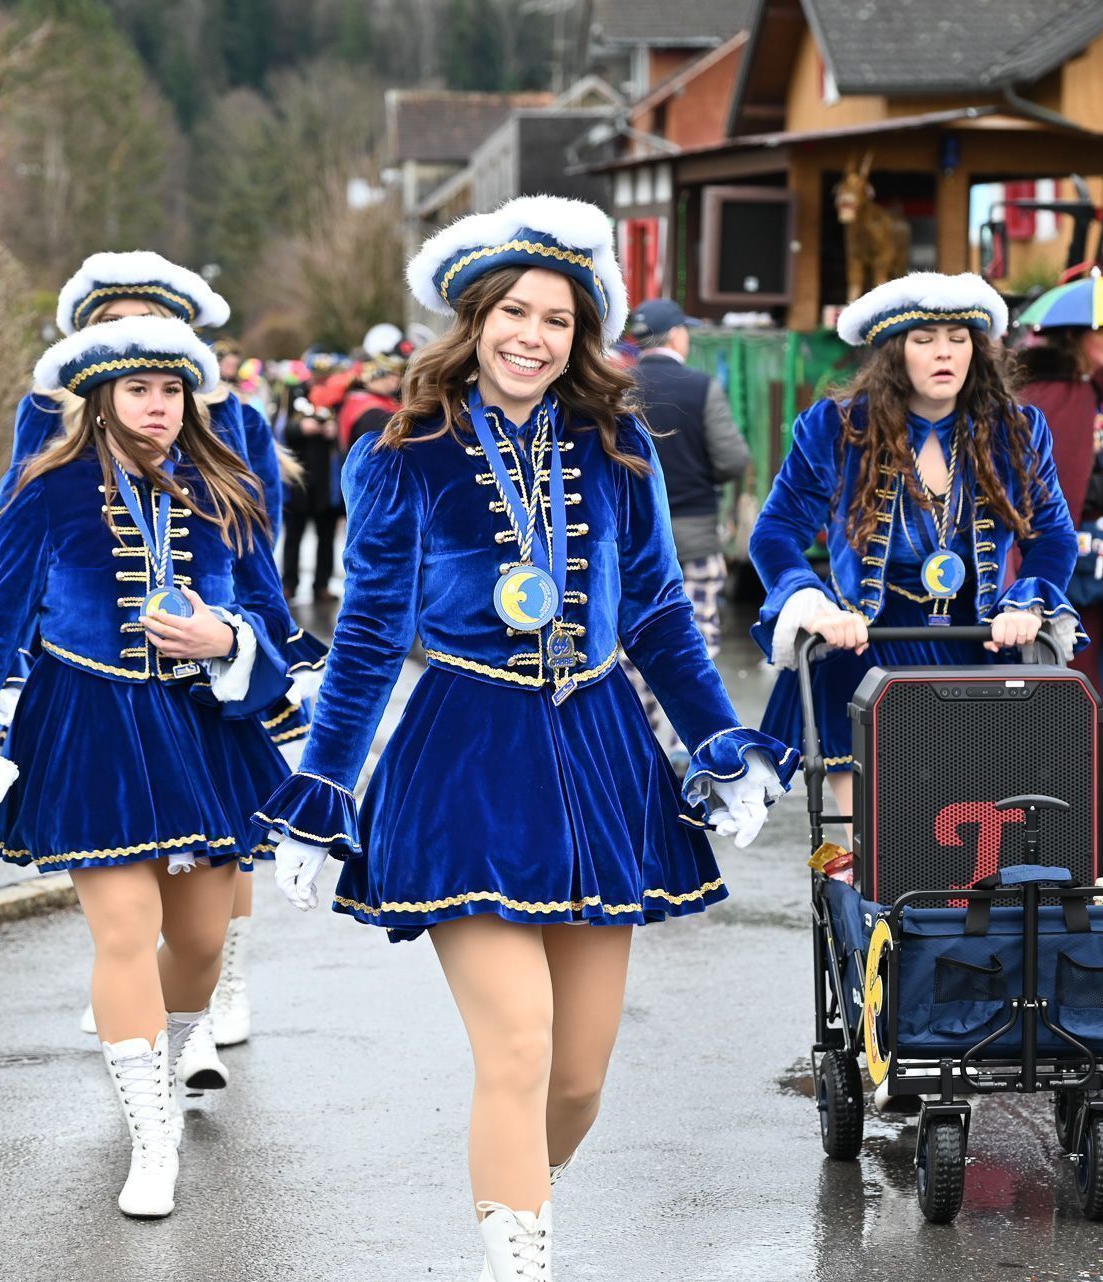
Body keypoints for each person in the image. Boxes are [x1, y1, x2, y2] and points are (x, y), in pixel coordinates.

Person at [256, 195, 797, 1281]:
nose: (532, 336)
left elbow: (654, 618)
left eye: (557, 319)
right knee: (516, 1047)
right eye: (512, 311)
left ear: (581, 335)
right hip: (465, 756)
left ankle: (510, 1207)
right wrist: (322, 790)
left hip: (600, 756)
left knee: (580, 1077)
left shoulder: (619, 446)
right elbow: (366, 635)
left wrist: (717, 742)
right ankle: (522, 1260)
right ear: (472, 320)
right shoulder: (402, 454)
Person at [0, 316, 296, 1218]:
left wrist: (224, 636)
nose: (157, 408)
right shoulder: (45, 490)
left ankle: (166, 1055)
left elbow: (271, 621)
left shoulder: (225, 489)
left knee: (197, 941)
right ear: (101, 398)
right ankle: (154, 1140)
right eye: (137, 391)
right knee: (123, 931)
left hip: (202, 729)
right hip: (87, 724)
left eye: (171, 392)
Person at [0, 252, 325, 1058]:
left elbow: (258, 560)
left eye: (154, 330)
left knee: (222, 833)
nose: (135, 345)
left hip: (206, 667)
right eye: (112, 331)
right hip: (92, 671)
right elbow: (23, 535)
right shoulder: (49, 414)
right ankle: (139, 997)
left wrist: (239, 644)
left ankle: (218, 996)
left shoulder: (232, 418)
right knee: (123, 865)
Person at [751, 272, 1083, 816]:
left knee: (970, 851)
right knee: (881, 847)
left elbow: (1053, 534)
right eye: (924, 339)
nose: (943, 353)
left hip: (978, 649)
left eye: (958, 338)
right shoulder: (836, 428)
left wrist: (1026, 597)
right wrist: (815, 604)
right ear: (893, 351)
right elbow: (776, 532)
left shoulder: (1016, 429)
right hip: (862, 653)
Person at [1015, 312, 1103, 838]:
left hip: (1086, 566)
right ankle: (1069, 817)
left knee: (1096, 677)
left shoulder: (1087, 392)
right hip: (1068, 565)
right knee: (1078, 681)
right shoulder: (1066, 396)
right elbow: (1066, 485)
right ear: (1075, 336)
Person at [621, 297, 750, 766]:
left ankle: (634, 749)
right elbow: (733, 459)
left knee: (628, 654)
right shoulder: (700, 387)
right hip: (692, 543)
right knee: (691, 648)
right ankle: (682, 750)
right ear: (677, 336)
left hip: (626, 546)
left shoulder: (615, 387)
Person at [279, 346, 350, 604]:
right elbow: (281, 427)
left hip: (327, 476)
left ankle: (322, 584)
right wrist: (301, 427)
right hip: (298, 475)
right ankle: (290, 584)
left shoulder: (341, 396)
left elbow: (349, 428)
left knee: (326, 535)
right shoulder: (293, 391)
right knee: (294, 535)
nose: (321, 379)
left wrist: (335, 429)